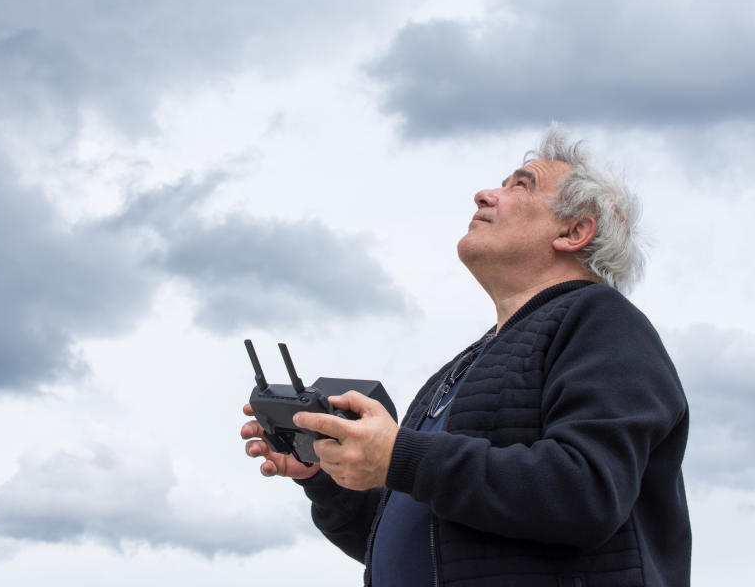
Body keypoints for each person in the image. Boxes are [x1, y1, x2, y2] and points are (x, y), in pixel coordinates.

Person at [241, 125, 690, 587]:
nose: (483, 194)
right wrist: (325, 476)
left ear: (574, 231)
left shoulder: (602, 321)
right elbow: (427, 537)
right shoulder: (460, 367)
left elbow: (587, 491)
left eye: (520, 184)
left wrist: (401, 456)